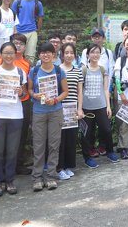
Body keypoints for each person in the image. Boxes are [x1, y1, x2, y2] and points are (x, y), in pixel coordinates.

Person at [0, 42, 27, 198]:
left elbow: (24, 95)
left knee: (12, 151)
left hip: (16, 115)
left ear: (15, 53)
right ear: (1, 54)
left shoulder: (21, 72)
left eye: (11, 53)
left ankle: (9, 180)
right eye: (6, 53)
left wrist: (20, 92)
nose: (9, 56)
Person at [28, 42, 69, 192]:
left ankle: (51, 176)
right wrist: (35, 95)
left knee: (54, 144)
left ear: (54, 55)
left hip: (55, 111)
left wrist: (56, 99)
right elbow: (30, 90)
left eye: (49, 52)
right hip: (38, 111)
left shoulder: (59, 71)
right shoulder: (34, 71)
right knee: (38, 145)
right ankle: (37, 177)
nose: (46, 55)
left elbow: (65, 91)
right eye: (43, 52)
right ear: (39, 55)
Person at [80, 43, 119, 168]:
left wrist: (108, 106)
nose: (95, 54)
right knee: (87, 133)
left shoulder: (103, 70)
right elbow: (79, 90)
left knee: (106, 130)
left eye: (97, 52)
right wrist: (79, 108)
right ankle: (87, 157)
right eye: (92, 52)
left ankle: (110, 152)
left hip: (101, 105)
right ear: (88, 55)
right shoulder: (83, 70)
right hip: (87, 107)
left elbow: (106, 89)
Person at [57, 43, 83, 180]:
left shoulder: (77, 70)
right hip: (59, 109)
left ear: (75, 55)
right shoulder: (57, 70)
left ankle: (68, 166)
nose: (68, 55)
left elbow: (80, 91)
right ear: (62, 54)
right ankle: (59, 168)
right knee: (60, 139)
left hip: (72, 109)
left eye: (71, 53)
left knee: (71, 138)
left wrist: (79, 108)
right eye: (66, 52)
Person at [11, 34, 33, 175]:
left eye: (21, 44)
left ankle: (18, 164)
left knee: (22, 134)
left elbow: (29, 87)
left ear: (25, 47)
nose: (18, 46)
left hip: (23, 102)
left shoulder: (27, 64)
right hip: (5, 104)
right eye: (15, 43)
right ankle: (6, 166)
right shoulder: (1, 61)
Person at [11, 0, 44, 64]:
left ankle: (28, 73)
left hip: (32, 31)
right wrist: (14, 30)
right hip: (18, 31)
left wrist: (37, 30)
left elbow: (40, 18)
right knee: (16, 53)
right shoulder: (17, 2)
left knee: (30, 55)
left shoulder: (38, 3)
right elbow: (12, 16)